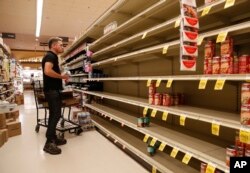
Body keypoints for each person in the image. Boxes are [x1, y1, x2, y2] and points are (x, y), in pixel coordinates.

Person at [42, 37, 69, 155]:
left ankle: (52, 138)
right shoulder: (50, 56)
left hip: (52, 90)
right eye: (61, 45)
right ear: (54, 46)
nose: (63, 47)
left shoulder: (53, 57)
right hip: (52, 91)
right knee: (56, 114)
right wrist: (62, 77)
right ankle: (49, 143)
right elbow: (47, 71)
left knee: (54, 114)